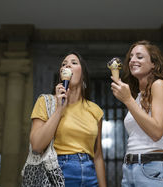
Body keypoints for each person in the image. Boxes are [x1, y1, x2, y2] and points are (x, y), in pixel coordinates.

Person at [30, 52, 107, 187]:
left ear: (82, 74)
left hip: (89, 175)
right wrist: (59, 109)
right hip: (58, 171)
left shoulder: (95, 110)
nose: (67, 66)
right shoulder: (46, 101)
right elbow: (36, 145)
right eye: (64, 64)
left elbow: (98, 155)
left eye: (73, 63)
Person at [110, 40, 163, 187]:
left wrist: (127, 100)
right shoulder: (138, 97)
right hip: (129, 169)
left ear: (153, 63)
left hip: (151, 168)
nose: (133, 60)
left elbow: (156, 131)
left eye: (139, 57)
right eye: (131, 57)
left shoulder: (159, 85)